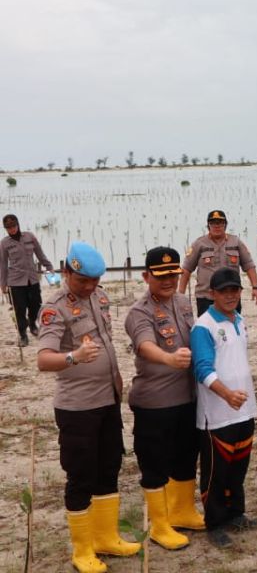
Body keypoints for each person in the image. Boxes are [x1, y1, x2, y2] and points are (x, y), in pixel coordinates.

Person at [38, 242, 141, 572]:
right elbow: (43, 360)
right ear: (67, 272)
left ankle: (106, 537)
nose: (91, 286)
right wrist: (74, 357)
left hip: (108, 400)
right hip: (77, 408)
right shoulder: (54, 307)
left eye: (96, 280)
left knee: (109, 468)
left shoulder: (100, 297)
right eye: (83, 280)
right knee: (80, 476)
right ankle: (83, 550)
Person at [124, 247, 204, 550]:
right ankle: (158, 526)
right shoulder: (139, 312)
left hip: (187, 397)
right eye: (161, 276)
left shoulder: (184, 302)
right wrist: (168, 359)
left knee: (186, 456)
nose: (169, 280)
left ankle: (183, 511)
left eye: (174, 274)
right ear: (146, 276)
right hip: (155, 402)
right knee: (155, 463)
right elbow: (145, 345)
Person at [191, 267, 257, 547]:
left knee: (239, 465)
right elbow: (202, 370)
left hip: (244, 408)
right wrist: (227, 394)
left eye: (235, 290)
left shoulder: (240, 319)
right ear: (212, 294)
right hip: (217, 414)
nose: (230, 296)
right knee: (216, 471)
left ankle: (235, 513)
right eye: (224, 291)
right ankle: (215, 522)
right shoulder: (203, 327)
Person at [180, 210, 257, 316]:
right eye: (213, 223)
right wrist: (180, 294)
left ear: (225, 225)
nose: (217, 226)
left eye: (220, 223)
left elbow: (249, 265)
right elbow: (186, 269)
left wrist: (255, 287)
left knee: (232, 327)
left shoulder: (235, 242)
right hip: (206, 297)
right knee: (208, 329)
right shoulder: (199, 244)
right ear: (208, 226)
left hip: (231, 296)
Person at [2, 213, 55, 346]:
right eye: (8, 227)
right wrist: (3, 283)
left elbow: (40, 253)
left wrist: (49, 266)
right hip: (15, 281)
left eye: (13, 226)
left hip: (32, 278)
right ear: (5, 228)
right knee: (19, 309)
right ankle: (23, 334)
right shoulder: (4, 244)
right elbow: (2, 264)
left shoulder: (30, 237)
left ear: (18, 224)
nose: (12, 229)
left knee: (36, 304)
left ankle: (32, 324)